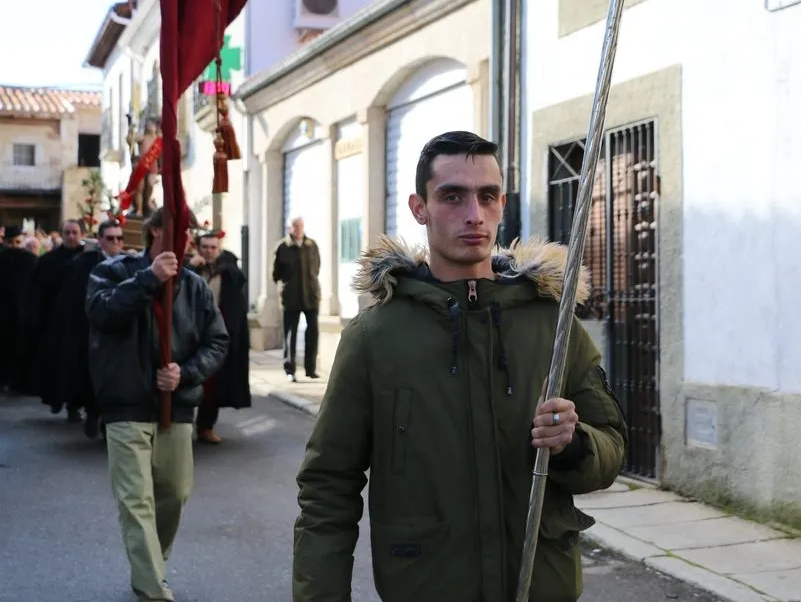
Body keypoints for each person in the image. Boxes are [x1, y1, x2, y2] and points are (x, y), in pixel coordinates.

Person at [292, 131, 628, 602]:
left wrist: (574, 445)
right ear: (419, 207)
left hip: (538, 584)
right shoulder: (374, 338)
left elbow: (611, 446)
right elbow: (328, 487)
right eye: (452, 196)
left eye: (486, 196)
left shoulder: (551, 324)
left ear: (501, 203)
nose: (474, 214)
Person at [86, 206, 229, 601]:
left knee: (175, 491)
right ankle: (153, 588)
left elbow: (217, 340)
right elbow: (101, 312)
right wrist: (149, 280)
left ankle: (151, 568)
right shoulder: (114, 270)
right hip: (125, 404)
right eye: (175, 232)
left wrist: (185, 372)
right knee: (136, 500)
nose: (183, 240)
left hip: (176, 406)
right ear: (153, 233)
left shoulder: (195, 286)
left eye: (187, 233)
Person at [52, 219, 126, 438]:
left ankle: (107, 418)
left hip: (118, 332)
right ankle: (93, 412)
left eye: (119, 238)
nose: (115, 243)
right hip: (90, 330)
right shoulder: (85, 264)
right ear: (100, 240)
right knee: (89, 376)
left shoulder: (129, 263)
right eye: (110, 238)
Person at [187, 230, 251, 444]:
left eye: (213, 247)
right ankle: (182, 426)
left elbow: (235, 304)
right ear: (198, 247)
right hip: (190, 333)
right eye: (205, 247)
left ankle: (205, 427)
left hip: (215, 333)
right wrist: (189, 267)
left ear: (219, 248)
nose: (209, 251)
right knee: (188, 380)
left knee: (213, 382)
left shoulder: (229, 271)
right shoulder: (191, 268)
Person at [30, 219, 86, 419]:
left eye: (75, 232)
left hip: (80, 323)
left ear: (81, 234)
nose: (71, 236)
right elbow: (38, 291)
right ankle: (56, 399)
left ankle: (74, 405)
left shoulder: (88, 260)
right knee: (56, 365)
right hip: (54, 322)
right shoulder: (48, 261)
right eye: (67, 232)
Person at [272, 216, 321, 382]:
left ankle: (310, 369)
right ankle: (290, 370)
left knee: (313, 331)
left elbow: (317, 267)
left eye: (301, 225)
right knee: (290, 334)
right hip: (291, 297)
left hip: (311, 295)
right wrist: (286, 286)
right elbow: (276, 273)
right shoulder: (282, 247)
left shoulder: (311, 245)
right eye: (295, 226)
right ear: (290, 228)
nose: (299, 228)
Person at [0, 225, 38, 394]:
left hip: (22, 312)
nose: (14, 246)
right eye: (10, 242)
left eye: (17, 242)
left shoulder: (29, 260)